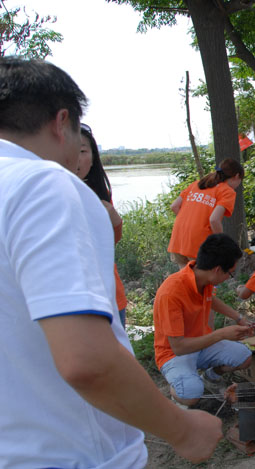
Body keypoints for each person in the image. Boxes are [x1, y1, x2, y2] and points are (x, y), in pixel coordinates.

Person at [0, 57, 221, 466]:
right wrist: (183, 429)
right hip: (69, 453)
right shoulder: (42, 184)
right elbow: (86, 360)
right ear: (61, 122)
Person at [154, 233, 253, 407]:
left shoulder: (203, 280)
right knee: (191, 394)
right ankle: (176, 389)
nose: (229, 278)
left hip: (202, 346)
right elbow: (179, 347)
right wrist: (221, 334)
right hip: (174, 354)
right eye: (230, 273)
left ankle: (210, 377)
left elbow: (211, 300)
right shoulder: (171, 293)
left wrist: (238, 318)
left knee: (244, 356)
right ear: (217, 270)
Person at [78, 122, 129, 328]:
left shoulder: (100, 193)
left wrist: (114, 218)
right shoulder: (47, 193)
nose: (75, 157)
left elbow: (110, 242)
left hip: (109, 292)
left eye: (82, 151)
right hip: (74, 297)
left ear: (93, 158)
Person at [168, 158, 244, 269]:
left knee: (185, 277)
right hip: (198, 243)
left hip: (179, 238)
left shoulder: (197, 184)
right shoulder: (227, 191)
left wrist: (190, 222)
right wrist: (221, 244)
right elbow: (214, 220)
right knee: (203, 278)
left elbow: (174, 206)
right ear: (237, 176)